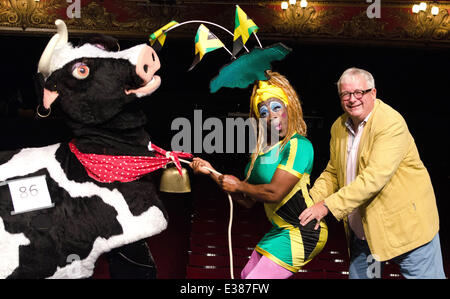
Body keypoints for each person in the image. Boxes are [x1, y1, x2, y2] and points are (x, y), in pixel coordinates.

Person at [298, 67, 445, 279]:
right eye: (346, 94)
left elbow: (373, 179)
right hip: (366, 236)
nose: (352, 99)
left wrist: (327, 206)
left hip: (408, 233)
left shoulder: (391, 123)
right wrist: (309, 201)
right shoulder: (338, 127)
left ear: (373, 93)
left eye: (359, 92)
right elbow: (333, 173)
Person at [190, 71, 327, 279]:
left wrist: (238, 186)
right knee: (246, 275)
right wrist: (210, 172)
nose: (271, 116)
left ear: (290, 109)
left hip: (304, 231)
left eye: (277, 108)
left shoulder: (298, 145)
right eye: (263, 113)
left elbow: (274, 193)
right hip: (279, 231)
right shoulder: (259, 159)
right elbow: (246, 201)